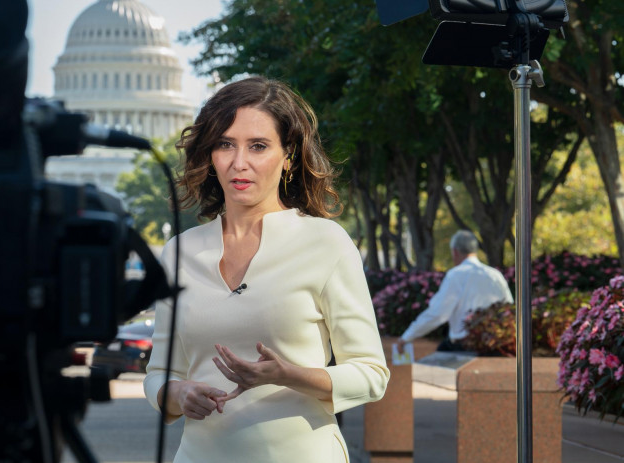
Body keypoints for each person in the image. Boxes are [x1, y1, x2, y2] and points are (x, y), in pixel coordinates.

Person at [143, 76, 389, 463]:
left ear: (288, 154)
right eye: (225, 144)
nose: (239, 163)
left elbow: (372, 375)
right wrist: (179, 394)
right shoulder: (179, 252)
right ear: (210, 154)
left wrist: (286, 374)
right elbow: (159, 372)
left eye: (258, 146)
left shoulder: (326, 243)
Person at [396, 230, 514, 352]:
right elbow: (509, 308)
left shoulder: (456, 275)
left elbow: (437, 314)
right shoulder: (495, 275)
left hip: (464, 345)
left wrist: (406, 337)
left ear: (455, 251)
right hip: (495, 344)